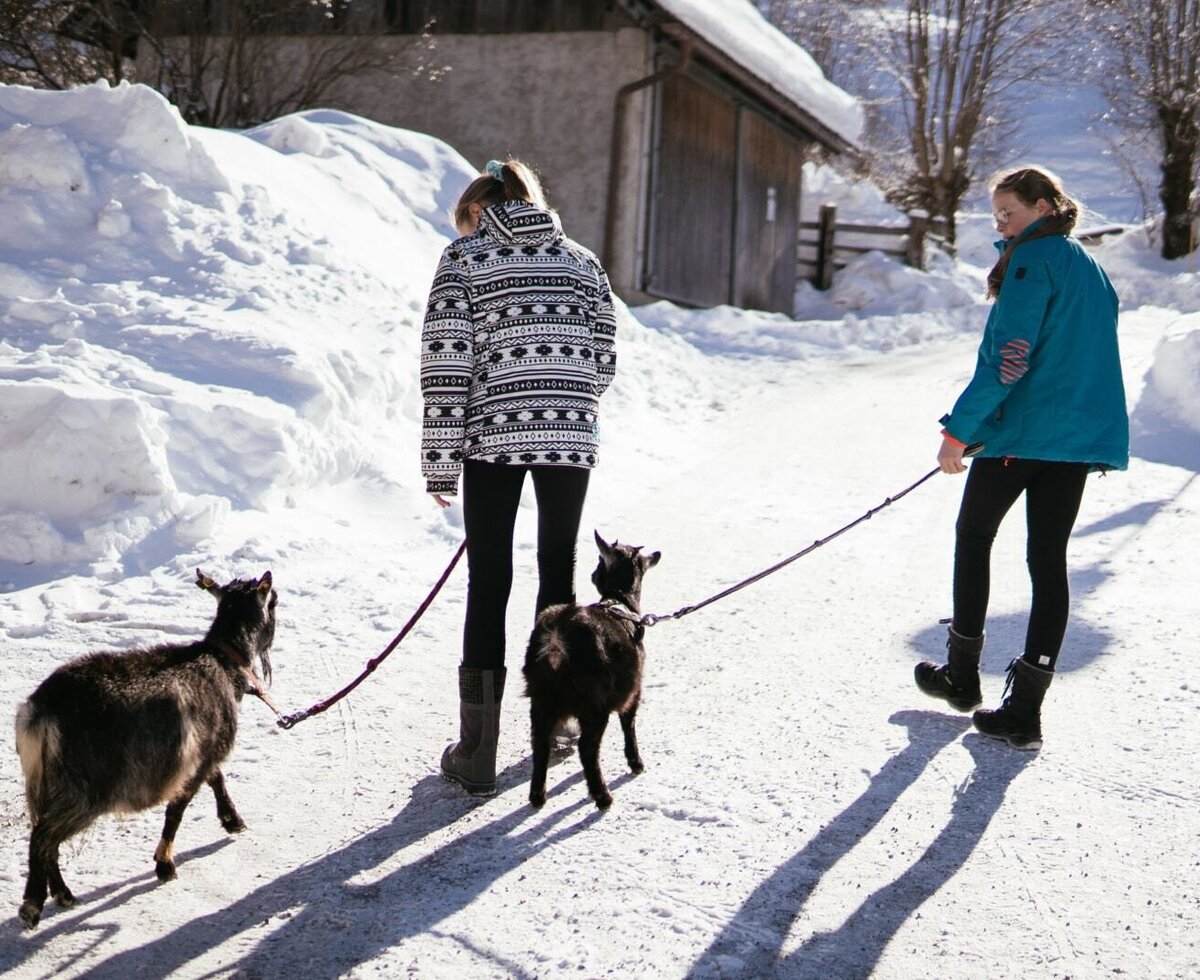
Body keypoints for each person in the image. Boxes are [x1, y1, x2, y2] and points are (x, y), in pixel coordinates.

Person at [420, 158, 618, 795]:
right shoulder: (584, 261)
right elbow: (605, 356)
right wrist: (565, 399)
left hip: (492, 437)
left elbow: (447, 366)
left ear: (483, 211)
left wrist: (441, 460)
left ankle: (477, 752)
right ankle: (558, 726)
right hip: (569, 434)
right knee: (557, 575)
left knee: (489, 580)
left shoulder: (465, 260)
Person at [914, 165, 1128, 750]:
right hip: (1075, 440)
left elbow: (1010, 357)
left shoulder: (1033, 261)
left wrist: (960, 432)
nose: (1002, 223)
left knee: (974, 534)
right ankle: (1025, 712)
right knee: (1048, 560)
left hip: (1025, 435)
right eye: (996, 215)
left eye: (1009, 212)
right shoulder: (1089, 266)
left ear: (1042, 205)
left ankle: (962, 677)